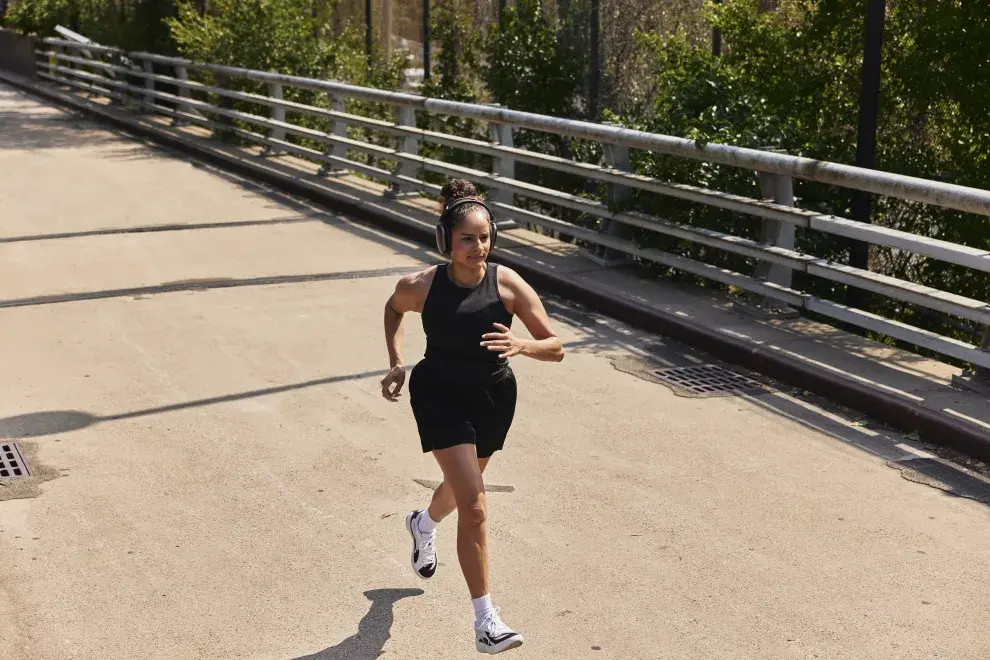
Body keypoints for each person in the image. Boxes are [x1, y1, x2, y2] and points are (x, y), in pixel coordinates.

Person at [380, 179, 565, 654]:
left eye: (484, 237)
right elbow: (392, 309)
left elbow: (556, 346)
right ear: (446, 240)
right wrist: (396, 361)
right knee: (477, 507)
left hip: (492, 397)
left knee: (466, 489)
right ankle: (486, 620)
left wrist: (523, 344)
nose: (477, 247)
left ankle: (423, 523)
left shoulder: (506, 284)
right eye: (467, 238)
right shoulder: (421, 285)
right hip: (439, 393)